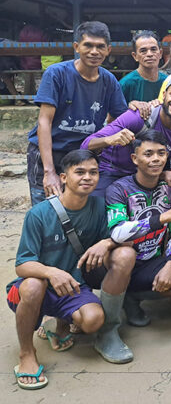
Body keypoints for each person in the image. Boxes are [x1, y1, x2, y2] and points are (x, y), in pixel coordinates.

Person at [7, 150, 137, 390]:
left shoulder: (99, 206)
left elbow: (123, 238)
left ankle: (60, 323)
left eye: (93, 172)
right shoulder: (39, 214)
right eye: (79, 172)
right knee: (35, 284)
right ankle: (26, 353)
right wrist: (51, 272)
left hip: (74, 286)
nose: (87, 177)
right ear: (63, 177)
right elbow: (22, 265)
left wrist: (106, 242)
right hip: (35, 289)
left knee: (93, 320)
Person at [105, 130, 171, 327]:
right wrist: (163, 217)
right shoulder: (118, 189)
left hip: (153, 261)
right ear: (135, 158)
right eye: (148, 154)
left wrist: (170, 264)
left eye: (161, 153)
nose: (156, 159)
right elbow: (118, 233)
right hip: (124, 264)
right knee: (124, 255)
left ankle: (133, 296)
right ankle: (111, 322)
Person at [26, 21, 128, 206]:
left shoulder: (109, 81)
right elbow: (44, 122)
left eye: (100, 47)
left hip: (83, 155)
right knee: (47, 208)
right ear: (76, 47)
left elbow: (119, 119)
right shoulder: (57, 74)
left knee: (78, 210)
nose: (94, 51)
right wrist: (49, 171)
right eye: (88, 45)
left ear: (108, 50)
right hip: (50, 152)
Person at [82, 77, 171, 197]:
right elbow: (87, 144)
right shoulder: (140, 116)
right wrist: (110, 139)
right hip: (114, 171)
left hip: (149, 177)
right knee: (101, 204)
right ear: (164, 95)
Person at [119, 30, 167, 104]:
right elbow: (115, 113)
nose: (149, 54)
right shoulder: (126, 83)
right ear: (135, 56)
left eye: (153, 49)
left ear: (160, 53)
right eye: (143, 51)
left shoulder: (167, 81)